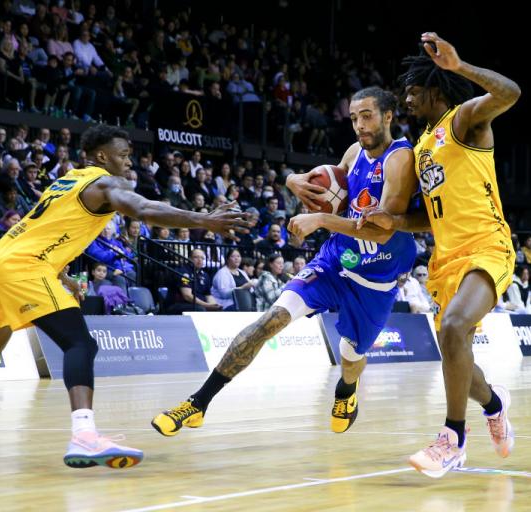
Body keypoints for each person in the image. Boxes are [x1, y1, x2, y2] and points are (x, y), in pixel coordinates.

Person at [0, 125, 249, 466]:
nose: (128, 163)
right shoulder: (105, 183)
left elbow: (44, 231)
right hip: (24, 267)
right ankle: (84, 435)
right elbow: (143, 209)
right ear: (102, 156)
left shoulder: (69, 180)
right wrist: (204, 220)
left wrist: (62, 275)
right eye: (122, 156)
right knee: (80, 344)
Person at [151, 86, 418, 439]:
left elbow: (383, 230)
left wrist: (319, 221)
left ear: (387, 116)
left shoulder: (401, 159)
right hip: (337, 260)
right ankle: (198, 402)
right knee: (268, 321)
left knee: (351, 355)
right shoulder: (354, 152)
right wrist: (293, 180)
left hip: (375, 279)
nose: (359, 125)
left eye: (366, 116)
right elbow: (327, 186)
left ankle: (346, 392)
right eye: (353, 118)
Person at [359, 33, 521, 478]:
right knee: (457, 353)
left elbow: (511, 93)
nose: (407, 99)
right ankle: (495, 404)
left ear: (435, 89)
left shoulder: (465, 120)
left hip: (487, 245)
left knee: (453, 328)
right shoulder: (422, 148)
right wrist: (395, 223)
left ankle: (452, 439)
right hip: (446, 258)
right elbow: (428, 217)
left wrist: (460, 66)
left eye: (413, 91)